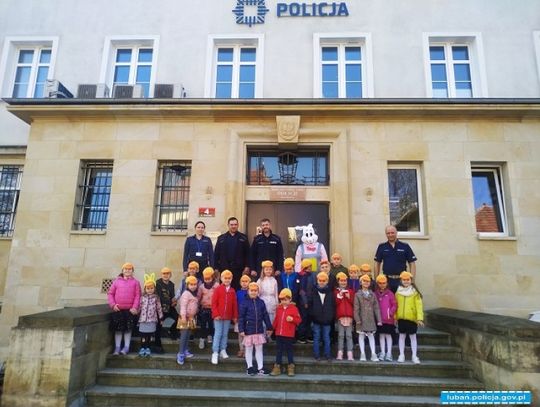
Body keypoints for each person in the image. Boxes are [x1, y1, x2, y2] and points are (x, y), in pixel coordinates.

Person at [238, 282, 273, 376]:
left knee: (259, 349)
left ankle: (260, 367)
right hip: (248, 330)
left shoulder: (261, 302)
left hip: (259, 330)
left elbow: (265, 315)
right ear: (248, 291)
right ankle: (249, 367)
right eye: (251, 290)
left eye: (255, 291)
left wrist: (269, 327)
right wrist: (241, 329)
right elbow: (241, 317)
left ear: (258, 291)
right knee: (248, 349)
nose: (253, 292)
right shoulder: (244, 302)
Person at [107, 262, 141, 355]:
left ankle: (126, 347)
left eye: (130, 269)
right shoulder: (116, 281)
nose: (127, 271)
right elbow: (110, 294)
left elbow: (138, 295)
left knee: (128, 330)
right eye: (126, 269)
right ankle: (117, 348)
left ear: (132, 271)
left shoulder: (136, 282)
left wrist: (135, 307)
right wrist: (113, 305)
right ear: (122, 270)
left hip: (130, 310)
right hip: (118, 310)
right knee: (118, 330)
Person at [374, 225, 417, 292]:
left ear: (396, 233)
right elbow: (377, 263)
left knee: (401, 301)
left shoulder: (405, 246)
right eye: (388, 233)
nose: (390, 235)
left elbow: (412, 263)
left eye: (392, 232)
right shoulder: (382, 247)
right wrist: (377, 280)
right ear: (386, 234)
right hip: (386, 281)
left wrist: (412, 280)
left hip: (402, 280)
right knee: (387, 302)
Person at [270, 288, 302, 377]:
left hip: (288, 334)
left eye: (285, 300)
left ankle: (291, 367)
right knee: (279, 351)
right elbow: (276, 320)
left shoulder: (294, 308)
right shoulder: (279, 308)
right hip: (279, 334)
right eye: (282, 300)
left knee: (289, 350)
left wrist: (292, 319)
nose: (284, 302)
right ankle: (277, 367)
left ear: (290, 299)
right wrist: (271, 329)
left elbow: (299, 320)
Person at [395, 271, 424, 364]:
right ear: (401, 280)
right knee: (402, 336)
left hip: (412, 318)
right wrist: (395, 317)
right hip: (401, 318)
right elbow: (395, 305)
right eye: (404, 280)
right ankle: (401, 354)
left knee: (413, 337)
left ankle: (414, 356)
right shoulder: (398, 292)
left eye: (408, 280)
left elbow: (419, 306)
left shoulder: (415, 292)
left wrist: (419, 318)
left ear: (411, 280)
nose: (406, 281)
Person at [214, 217, 251, 290]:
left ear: (238, 225)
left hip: (238, 269)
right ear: (228, 225)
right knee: (224, 289)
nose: (233, 226)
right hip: (224, 269)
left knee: (237, 288)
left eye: (235, 224)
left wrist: (247, 266)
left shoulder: (243, 238)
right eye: (231, 224)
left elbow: (248, 254)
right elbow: (216, 254)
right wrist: (215, 268)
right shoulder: (221, 238)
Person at [211, 270, 238, 365]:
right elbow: (214, 303)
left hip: (227, 316)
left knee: (225, 333)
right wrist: (216, 314)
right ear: (221, 278)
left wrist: (235, 316)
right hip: (218, 316)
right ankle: (215, 352)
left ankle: (223, 349)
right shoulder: (218, 289)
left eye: (229, 278)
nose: (227, 280)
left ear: (231, 279)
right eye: (225, 278)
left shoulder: (232, 291)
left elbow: (234, 304)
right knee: (218, 333)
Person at [354, 274, 382, 362]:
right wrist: (357, 319)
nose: (366, 283)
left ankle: (373, 354)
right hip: (361, 319)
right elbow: (356, 308)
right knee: (361, 335)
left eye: (368, 281)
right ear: (361, 282)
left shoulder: (372, 294)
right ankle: (362, 353)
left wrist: (379, 320)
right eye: (364, 281)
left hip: (370, 318)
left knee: (371, 335)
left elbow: (376, 307)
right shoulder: (357, 295)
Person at [308, 272, 335, 361]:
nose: (322, 282)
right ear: (317, 281)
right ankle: (317, 355)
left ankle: (327, 355)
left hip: (327, 319)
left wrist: (330, 317)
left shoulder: (330, 292)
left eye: (324, 281)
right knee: (317, 337)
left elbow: (332, 306)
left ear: (327, 281)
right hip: (316, 319)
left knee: (326, 338)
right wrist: (313, 316)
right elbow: (310, 305)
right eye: (320, 280)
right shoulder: (314, 291)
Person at [138, 273, 163, 357]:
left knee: (149, 335)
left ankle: (148, 347)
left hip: (152, 319)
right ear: (145, 289)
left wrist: (161, 317)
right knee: (143, 335)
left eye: (151, 288)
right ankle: (142, 347)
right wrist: (136, 312)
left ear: (154, 288)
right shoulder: (142, 297)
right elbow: (139, 307)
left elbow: (159, 308)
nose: (150, 290)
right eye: (148, 288)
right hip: (143, 320)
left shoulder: (156, 297)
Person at [177, 276, 200, 365]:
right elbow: (183, 306)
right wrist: (183, 317)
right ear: (187, 285)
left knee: (188, 335)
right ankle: (181, 353)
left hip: (191, 318)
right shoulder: (186, 293)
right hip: (185, 318)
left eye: (195, 284)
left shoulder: (194, 294)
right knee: (184, 335)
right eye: (191, 284)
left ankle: (185, 349)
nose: (193, 286)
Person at [154, 267, 178, 353]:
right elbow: (158, 297)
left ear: (170, 275)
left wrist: (174, 301)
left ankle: (172, 332)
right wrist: (170, 301)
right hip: (160, 307)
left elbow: (172, 296)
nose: (165, 275)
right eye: (164, 273)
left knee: (177, 318)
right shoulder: (158, 283)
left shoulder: (172, 284)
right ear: (161, 275)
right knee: (158, 327)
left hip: (169, 307)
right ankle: (157, 346)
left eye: (167, 273)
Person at [375, 274, 397, 361]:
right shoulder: (375, 294)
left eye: (384, 283)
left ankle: (389, 353)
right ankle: (383, 352)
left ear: (387, 283)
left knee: (388, 335)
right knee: (381, 336)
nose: (382, 285)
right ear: (377, 283)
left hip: (388, 319)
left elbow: (394, 305)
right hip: (380, 319)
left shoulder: (390, 294)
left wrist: (390, 313)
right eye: (380, 283)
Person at [334, 272, 355, 361]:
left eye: (345, 281)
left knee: (349, 335)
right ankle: (340, 352)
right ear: (338, 281)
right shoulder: (336, 292)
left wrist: (348, 296)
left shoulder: (350, 291)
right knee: (341, 335)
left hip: (349, 317)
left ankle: (350, 353)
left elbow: (353, 302)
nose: (343, 282)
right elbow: (336, 303)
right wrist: (340, 296)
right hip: (340, 317)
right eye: (341, 281)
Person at [197, 267, 218, 350]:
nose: (208, 280)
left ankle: (210, 336)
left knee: (211, 324)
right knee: (203, 324)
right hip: (204, 308)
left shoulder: (216, 286)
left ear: (212, 277)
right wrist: (197, 305)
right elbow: (199, 297)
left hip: (213, 308)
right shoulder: (201, 287)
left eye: (209, 279)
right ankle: (202, 338)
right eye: (206, 279)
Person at [257, 260, 279, 337]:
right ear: (263, 270)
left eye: (270, 269)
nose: (268, 271)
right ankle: (262, 335)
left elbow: (276, 293)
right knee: (263, 318)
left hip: (272, 300)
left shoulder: (274, 281)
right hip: (263, 300)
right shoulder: (260, 280)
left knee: (271, 318)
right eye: (266, 269)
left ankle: (269, 336)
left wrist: (277, 303)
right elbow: (257, 293)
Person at [296, 259, 313, 344]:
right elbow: (302, 291)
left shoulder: (311, 275)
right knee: (303, 319)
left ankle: (308, 335)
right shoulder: (302, 276)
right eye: (309, 266)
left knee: (309, 319)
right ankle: (301, 336)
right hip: (304, 302)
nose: (310, 268)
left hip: (310, 301)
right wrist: (305, 302)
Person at [235, 275, 251, 357]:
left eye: (246, 281)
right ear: (240, 283)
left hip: (248, 316)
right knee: (240, 334)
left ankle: (246, 350)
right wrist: (235, 316)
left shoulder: (251, 292)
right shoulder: (238, 293)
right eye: (243, 282)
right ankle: (241, 349)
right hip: (239, 316)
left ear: (249, 283)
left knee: (247, 334)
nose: (244, 283)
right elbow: (235, 304)